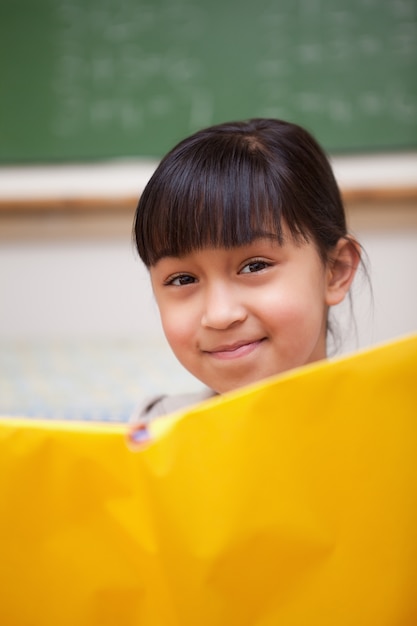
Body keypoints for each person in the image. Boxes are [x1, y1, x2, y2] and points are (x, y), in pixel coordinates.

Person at [130, 118, 361, 426]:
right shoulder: (156, 433)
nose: (220, 315)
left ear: (335, 270)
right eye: (183, 279)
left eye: (255, 266)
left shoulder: (395, 426)